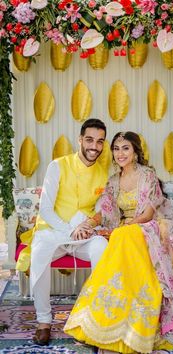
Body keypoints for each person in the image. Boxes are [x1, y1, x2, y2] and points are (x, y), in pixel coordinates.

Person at [64, 131, 173, 354]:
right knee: (119, 239)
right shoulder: (113, 181)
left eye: (125, 148)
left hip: (151, 227)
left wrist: (126, 227)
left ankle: (137, 326)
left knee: (122, 236)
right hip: (127, 232)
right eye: (116, 149)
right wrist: (88, 224)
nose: (120, 153)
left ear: (136, 152)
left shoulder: (147, 175)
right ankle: (101, 325)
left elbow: (149, 213)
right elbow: (104, 211)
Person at [17, 118, 110, 346]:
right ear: (80, 140)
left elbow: (99, 210)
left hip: (83, 236)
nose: (94, 147)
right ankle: (44, 321)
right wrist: (71, 229)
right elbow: (46, 210)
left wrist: (87, 226)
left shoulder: (103, 174)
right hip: (53, 232)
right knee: (39, 254)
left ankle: (94, 317)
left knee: (102, 248)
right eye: (89, 139)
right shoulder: (57, 165)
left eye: (99, 142)